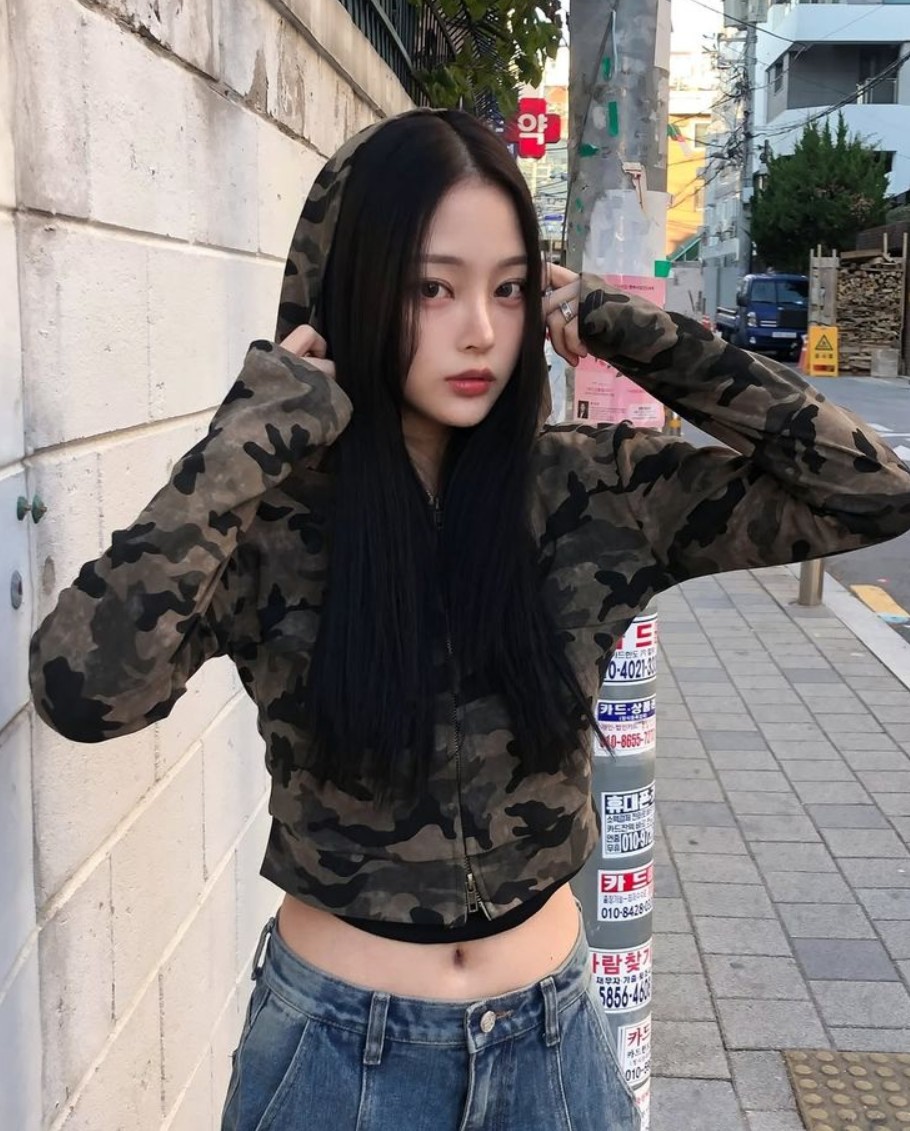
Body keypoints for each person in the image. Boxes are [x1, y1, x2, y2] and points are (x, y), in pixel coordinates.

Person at [29, 109, 910, 1130]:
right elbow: (84, 694)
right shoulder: (267, 516)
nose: (482, 331)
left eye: (510, 288)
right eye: (431, 289)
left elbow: (869, 493)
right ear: (351, 291)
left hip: (551, 1049)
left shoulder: (591, 489)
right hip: (335, 1057)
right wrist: (245, 441)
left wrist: (638, 334)